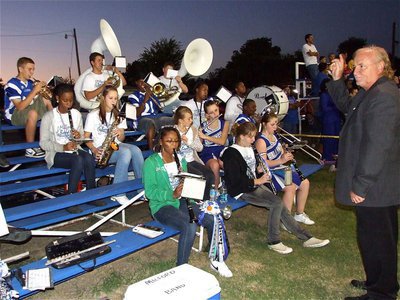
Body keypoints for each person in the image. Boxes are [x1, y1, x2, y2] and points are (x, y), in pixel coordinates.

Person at [328, 46, 399, 300]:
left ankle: (381, 293)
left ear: (381, 67)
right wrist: (337, 80)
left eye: (361, 67)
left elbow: (377, 145)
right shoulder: (372, 92)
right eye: (354, 66)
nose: (355, 72)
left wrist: (361, 184)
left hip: (376, 187)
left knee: (378, 240)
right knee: (376, 239)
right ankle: (379, 282)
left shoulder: (385, 95)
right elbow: (348, 106)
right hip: (376, 187)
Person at [221, 122, 329, 254]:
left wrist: (259, 170)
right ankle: (274, 241)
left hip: (253, 185)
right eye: (251, 137)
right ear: (242, 137)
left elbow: (250, 170)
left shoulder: (249, 148)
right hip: (241, 190)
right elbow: (235, 180)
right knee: (276, 203)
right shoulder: (230, 153)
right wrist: (257, 180)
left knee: (280, 206)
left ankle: (307, 237)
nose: (254, 140)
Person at [143, 126, 232, 277]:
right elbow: (150, 192)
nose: (173, 145)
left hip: (183, 201)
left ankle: (216, 259)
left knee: (212, 218)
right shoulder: (151, 162)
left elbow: (186, 185)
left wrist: (193, 192)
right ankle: (181, 268)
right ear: (161, 141)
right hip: (162, 206)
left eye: (176, 141)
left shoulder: (181, 160)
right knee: (189, 225)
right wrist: (172, 194)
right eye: (169, 141)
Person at [39, 83, 97, 214]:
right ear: (57, 98)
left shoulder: (76, 114)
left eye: (71, 100)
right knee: (78, 160)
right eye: (65, 100)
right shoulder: (49, 117)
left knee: (88, 157)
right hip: (56, 153)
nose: (68, 104)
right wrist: (63, 146)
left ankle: (91, 194)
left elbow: (82, 138)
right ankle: (70, 198)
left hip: (74, 151)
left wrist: (78, 136)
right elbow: (43, 143)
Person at [84, 86, 144, 205]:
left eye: (116, 98)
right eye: (110, 98)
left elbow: (121, 139)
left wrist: (120, 133)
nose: (113, 101)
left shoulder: (119, 114)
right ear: (103, 98)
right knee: (126, 152)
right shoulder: (93, 115)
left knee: (136, 150)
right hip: (101, 151)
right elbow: (86, 137)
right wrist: (94, 150)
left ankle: (142, 189)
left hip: (115, 146)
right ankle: (118, 193)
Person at [255, 112, 315, 225]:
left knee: (305, 183)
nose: (275, 127)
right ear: (264, 124)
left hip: (281, 168)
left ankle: (299, 214)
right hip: (270, 172)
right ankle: (286, 221)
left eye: (276, 124)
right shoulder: (261, 141)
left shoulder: (274, 136)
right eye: (272, 124)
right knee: (290, 187)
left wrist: (286, 155)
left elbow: (281, 152)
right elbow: (263, 164)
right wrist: (281, 160)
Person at [4, 57, 53, 158]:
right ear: (20, 69)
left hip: (29, 110)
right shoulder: (11, 84)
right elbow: (20, 107)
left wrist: (43, 91)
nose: (32, 72)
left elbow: (37, 99)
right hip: (14, 115)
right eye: (29, 69)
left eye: (33, 69)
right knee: (33, 113)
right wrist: (34, 91)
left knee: (45, 99)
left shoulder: (30, 83)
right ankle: (29, 148)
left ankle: (56, 127)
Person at [173, 106, 214, 200]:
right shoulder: (173, 132)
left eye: (191, 117)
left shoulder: (193, 130)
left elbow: (200, 148)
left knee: (209, 174)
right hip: (180, 162)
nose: (191, 120)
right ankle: (195, 200)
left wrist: (189, 142)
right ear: (180, 120)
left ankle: (205, 199)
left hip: (192, 160)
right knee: (198, 175)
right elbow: (171, 149)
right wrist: (179, 141)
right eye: (188, 118)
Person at [127, 76, 173, 150]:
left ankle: (166, 147)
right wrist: (145, 99)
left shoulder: (151, 95)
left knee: (170, 120)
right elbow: (136, 113)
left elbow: (160, 108)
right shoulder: (133, 96)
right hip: (141, 120)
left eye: (145, 82)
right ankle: (151, 150)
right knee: (150, 122)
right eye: (141, 82)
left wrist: (153, 96)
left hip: (155, 117)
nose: (143, 84)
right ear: (136, 82)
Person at [198, 100, 230, 189]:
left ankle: (231, 186)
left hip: (221, 150)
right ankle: (215, 190)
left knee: (226, 163)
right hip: (207, 152)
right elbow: (199, 147)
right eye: (211, 113)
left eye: (216, 110)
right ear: (207, 115)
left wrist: (206, 137)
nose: (215, 114)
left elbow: (222, 141)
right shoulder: (202, 127)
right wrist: (198, 137)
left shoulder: (225, 123)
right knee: (215, 165)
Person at [319, 79, 341, 163]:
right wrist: (335, 106)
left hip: (336, 118)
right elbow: (325, 108)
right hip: (329, 119)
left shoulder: (333, 94)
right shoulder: (324, 95)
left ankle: (335, 155)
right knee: (329, 138)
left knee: (336, 138)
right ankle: (328, 157)